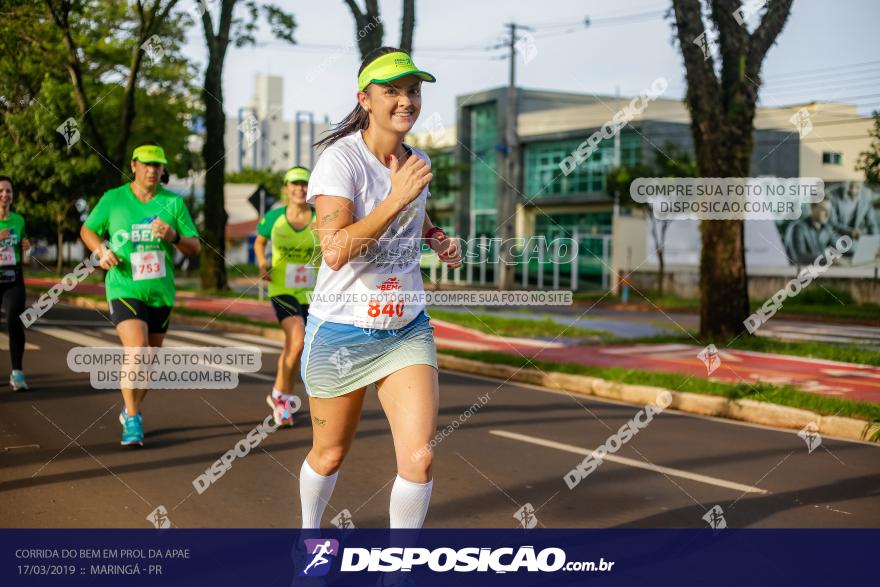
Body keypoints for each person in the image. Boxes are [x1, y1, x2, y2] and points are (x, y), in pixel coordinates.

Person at [298, 47, 461, 530]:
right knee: (329, 455)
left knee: (419, 458)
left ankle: (398, 569)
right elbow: (334, 250)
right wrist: (397, 197)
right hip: (341, 330)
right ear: (365, 99)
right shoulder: (339, 161)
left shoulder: (418, 160)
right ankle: (308, 537)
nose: (406, 100)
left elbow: (414, 212)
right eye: (391, 91)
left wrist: (433, 235)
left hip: (405, 326)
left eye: (412, 91)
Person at [80, 142, 200, 446]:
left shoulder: (173, 203)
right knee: (138, 350)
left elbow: (195, 245)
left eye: (157, 165)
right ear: (134, 165)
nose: (152, 170)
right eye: (146, 164)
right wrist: (100, 249)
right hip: (124, 285)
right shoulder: (114, 199)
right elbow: (88, 229)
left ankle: (130, 406)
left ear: (163, 170)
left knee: (149, 362)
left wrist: (173, 236)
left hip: (160, 291)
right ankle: (132, 418)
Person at [254, 166, 318, 427]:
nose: (300, 188)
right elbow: (259, 241)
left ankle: (280, 395)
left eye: (304, 184)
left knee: (295, 346)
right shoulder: (274, 218)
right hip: (281, 288)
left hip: (313, 292)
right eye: (295, 184)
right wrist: (261, 264)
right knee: (298, 339)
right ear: (286, 188)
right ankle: (282, 399)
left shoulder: (321, 216)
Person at [0, 176, 31, 391]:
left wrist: (26, 247)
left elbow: (24, 249)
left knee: (14, 320)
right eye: (1, 191)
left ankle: (17, 373)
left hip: (13, 276)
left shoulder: (19, 221)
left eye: (8, 191)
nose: (4, 195)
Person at [784, 199, 839, 265]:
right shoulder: (799, 228)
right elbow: (800, 257)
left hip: (820, 270)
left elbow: (839, 247)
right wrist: (827, 260)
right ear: (812, 208)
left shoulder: (826, 229)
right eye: (824, 210)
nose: (828, 214)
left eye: (829, 210)